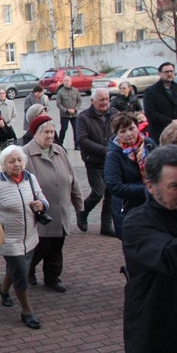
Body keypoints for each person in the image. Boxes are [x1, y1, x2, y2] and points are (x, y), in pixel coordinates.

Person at [122, 145, 177, 353]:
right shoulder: (137, 222)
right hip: (156, 334)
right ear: (151, 186)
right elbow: (169, 257)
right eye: (175, 186)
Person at [0, 146, 47, 329]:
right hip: (9, 239)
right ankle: (27, 312)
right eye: (12, 161)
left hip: (30, 236)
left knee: (17, 269)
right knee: (21, 273)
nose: (17, 164)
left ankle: (3, 290)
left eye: (19, 160)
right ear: (3, 164)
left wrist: (42, 204)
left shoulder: (30, 178)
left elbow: (41, 196)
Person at [23, 115, 84, 292]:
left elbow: (72, 179)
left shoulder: (59, 150)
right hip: (38, 213)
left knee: (57, 246)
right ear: (36, 133)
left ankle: (52, 277)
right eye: (46, 132)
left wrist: (79, 205)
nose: (50, 135)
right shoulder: (26, 153)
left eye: (52, 131)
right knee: (41, 246)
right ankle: (28, 270)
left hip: (60, 209)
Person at [104, 112, 158, 239]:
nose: (128, 134)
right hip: (129, 210)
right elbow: (114, 186)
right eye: (123, 131)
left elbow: (160, 167)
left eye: (131, 128)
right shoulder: (114, 155)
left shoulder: (148, 144)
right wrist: (146, 190)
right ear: (117, 134)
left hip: (153, 207)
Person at [76, 88, 116, 236]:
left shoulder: (114, 114)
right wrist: (104, 150)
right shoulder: (83, 118)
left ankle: (106, 225)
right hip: (93, 161)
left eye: (107, 99)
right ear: (93, 101)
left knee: (111, 194)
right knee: (98, 192)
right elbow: (82, 140)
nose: (105, 102)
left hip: (112, 161)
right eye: (102, 99)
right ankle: (82, 212)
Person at [143, 62, 177, 143]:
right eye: (166, 72)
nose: (169, 74)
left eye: (172, 71)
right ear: (159, 73)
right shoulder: (150, 91)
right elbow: (150, 113)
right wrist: (171, 122)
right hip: (159, 133)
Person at [56, 76, 82, 150]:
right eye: (65, 81)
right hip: (64, 114)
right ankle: (60, 144)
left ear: (71, 82)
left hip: (74, 114)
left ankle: (77, 145)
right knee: (63, 129)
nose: (66, 82)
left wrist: (75, 109)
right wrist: (66, 110)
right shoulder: (60, 91)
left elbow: (79, 101)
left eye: (68, 80)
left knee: (76, 129)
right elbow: (58, 104)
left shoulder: (75, 90)